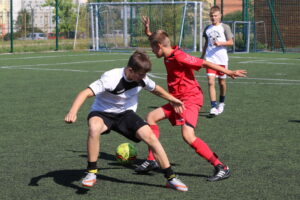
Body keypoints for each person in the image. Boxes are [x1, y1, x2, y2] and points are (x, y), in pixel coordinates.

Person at [135, 16, 246, 182]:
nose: (151, 51)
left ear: (159, 46)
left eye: (152, 47)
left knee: (187, 135)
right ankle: (152, 160)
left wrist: (228, 72)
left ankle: (221, 167)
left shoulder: (179, 56)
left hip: (190, 98)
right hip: (177, 99)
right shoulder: (166, 52)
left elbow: (204, 63)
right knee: (151, 117)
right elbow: (156, 39)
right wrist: (148, 31)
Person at [64, 51, 188, 192]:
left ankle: (170, 178)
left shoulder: (142, 78)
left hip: (125, 114)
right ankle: (91, 172)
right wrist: (73, 112)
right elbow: (85, 93)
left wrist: (172, 99)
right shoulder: (111, 77)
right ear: (130, 70)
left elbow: (156, 89)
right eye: (141, 74)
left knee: (151, 137)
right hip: (102, 113)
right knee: (94, 128)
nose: (144, 78)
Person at [201, 6, 234, 117]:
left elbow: (231, 42)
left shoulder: (225, 27)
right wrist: (202, 57)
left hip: (222, 59)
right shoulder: (207, 28)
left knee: (222, 83)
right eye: (211, 16)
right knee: (210, 82)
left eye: (215, 16)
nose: (213, 18)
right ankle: (213, 107)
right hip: (210, 59)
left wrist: (221, 43)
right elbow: (206, 44)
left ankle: (222, 103)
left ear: (220, 16)